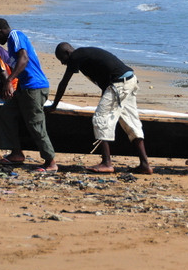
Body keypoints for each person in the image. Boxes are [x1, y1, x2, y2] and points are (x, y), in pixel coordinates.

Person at [48, 42, 152, 175]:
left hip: (119, 84)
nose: (63, 63)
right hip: (129, 80)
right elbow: (105, 81)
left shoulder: (76, 56)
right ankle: (145, 164)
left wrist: (54, 105)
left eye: (62, 59)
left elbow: (64, 82)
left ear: (68, 53)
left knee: (100, 119)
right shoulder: (86, 56)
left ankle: (106, 163)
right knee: (131, 122)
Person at [0, 18, 57, 172]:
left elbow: (24, 59)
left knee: (35, 123)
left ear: (0, 31)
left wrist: (9, 81)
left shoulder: (15, 36)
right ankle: (16, 153)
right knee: (6, 113)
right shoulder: (11, 43)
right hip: (24, 88)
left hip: (35, 87)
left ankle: (51, 162)